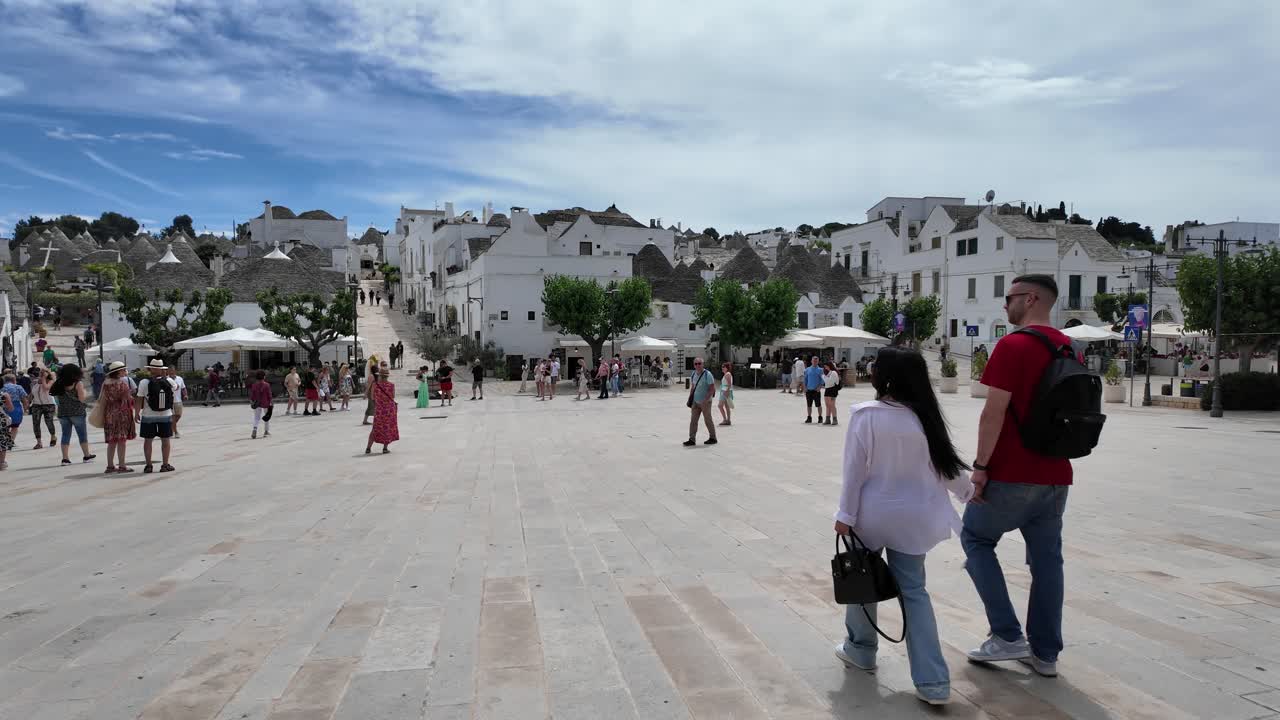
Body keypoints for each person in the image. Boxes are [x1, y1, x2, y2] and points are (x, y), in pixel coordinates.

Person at [833, 346, 974, 707]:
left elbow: (854, 473)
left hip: (872, 516)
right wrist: (970, 492)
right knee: (914, 592)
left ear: (885, 376)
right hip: (914, 519)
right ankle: (933, 682)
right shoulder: (924, 417)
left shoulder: (866, 416)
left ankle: (861, 649)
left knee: (862, 582)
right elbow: (947, 467)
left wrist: (844, 516)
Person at [962, 274, 1073, 678]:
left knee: (975, 538)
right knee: (1048, 564)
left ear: (1030, 298)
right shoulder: (1069, 347)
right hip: (1057, 475)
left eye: (1008, 298)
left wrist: (980, 468)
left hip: (1011, 471)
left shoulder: (1013, 345)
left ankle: (1007, 634)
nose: (1003, 305)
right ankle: (1045, 654)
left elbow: (993, 412)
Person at [50, 364, 95, 466]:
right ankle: (86, 456)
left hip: (63, 412)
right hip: (77, 412)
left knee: (65, 435)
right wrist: (85, 392)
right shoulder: (77, 383)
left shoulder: (59, 383)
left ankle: (65, 459)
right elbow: (81, 398)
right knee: (82, 435)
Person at [135, 359, 175, 473]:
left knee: (148, 441)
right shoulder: (169, 381)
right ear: (162, 369)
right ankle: (165, 465)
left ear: (150, 369)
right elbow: (176, 388)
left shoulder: (144, 382)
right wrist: (165, 376)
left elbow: (139, 398)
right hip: (166, 415)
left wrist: (136, 413)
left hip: (148, 415)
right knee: (165, 440)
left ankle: (148, 465)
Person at [100, 361, 137, 473]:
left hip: (109, 413)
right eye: (123, 370)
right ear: (118, 372)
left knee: (112, 441)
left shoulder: (105, 383)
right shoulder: (122, 384)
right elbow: (127, 399)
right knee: (121, 441)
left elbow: (102, 398)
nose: (125, 372)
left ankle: (110, 465)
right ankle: (122, 465)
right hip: (121, 414)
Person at [683, 357, 718, 447]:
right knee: (693, 421)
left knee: (708, 420)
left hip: (705, 402)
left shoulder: (707, 374)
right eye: (696, 364)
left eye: (699, 363)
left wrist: (705, 400)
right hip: (695, 401)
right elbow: (693, 387)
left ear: (703, 364)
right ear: (694, 365)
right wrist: (690, 397)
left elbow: (712, 388)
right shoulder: (694, 373)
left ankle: (713, 438)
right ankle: (691, 439)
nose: (698, 365)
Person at [365, 365, 399, 454]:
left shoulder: (375, 385)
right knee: (387, 428)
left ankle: (368, 448)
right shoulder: (391, 385)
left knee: (375, 428)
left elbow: (372, 397)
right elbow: (393, 396)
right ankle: (385, 448)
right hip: (389, 410)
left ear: (380, 375)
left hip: (379, 410)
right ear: (387, 376)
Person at [29, 368, 57, 449]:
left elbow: (46, 388)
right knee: (36, 423)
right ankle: (39, 442)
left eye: (43, 373)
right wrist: (28, 401)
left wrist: (44, 379)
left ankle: (53, 436)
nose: (41, 374)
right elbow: (32, 393)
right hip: (36, 405)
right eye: (40, 373)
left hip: (49, 404)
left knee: (49, 422)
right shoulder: (35, 383)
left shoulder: (51, 381)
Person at [2, 372, 29, 443]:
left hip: (3, 408)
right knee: (15, 426)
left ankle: (5, 440)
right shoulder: (18, 387)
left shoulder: (2, 387)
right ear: (14, 380)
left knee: (5, 426)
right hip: (16, 408)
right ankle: (10, 441)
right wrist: (25, 409)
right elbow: (24, 400)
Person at [249, 370, 273, 439]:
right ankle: (266, 431)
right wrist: (271, 402)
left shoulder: (254, 385)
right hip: (266, 403)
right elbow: (269, 395)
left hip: (257, 403)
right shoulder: (267, 385)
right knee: (267, 417)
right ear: (264, 377)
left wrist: (251, 401)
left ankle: (255, 429)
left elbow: (252, 395)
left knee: (256, 418)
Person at [166, 367, 187, 438]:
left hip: (178, 400)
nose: (171, 372)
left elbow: (183, 388)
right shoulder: (166, 379)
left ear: (175, 371)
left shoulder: (180, 378)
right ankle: (176, 432)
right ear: (168, 372)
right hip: (170, 401)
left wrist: (185, 394)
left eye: (172, 371)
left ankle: (171, 428)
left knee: (178, 415)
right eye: (170, 371)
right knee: (173, 417)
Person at [804, 356, 825, 424]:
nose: (815, 362)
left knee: (818, 405)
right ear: (811, 361)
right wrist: (805, 388)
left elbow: (822, 380)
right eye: (814, 361)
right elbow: (805, 379)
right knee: (809, 405)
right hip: (809, 390)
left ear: (818, 362)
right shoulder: (807, 369)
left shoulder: (820, 370)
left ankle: (820, 417)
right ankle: (809, 418)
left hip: (816, 390)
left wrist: (819, 387)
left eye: (816, 361)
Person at [823, 361, 842, 426]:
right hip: (827, 389)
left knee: (832, 405)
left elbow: (830, 382)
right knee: (827, 405)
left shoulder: (833, 372)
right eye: (824, 367)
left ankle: (835, 419)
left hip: (833, 389)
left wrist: (824, 377)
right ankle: (827, 419)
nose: (825, 368)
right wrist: (825, 378)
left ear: (829, 366)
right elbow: (827, 382)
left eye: (826, 366)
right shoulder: (829, 372)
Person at [717, 362, 734, 426]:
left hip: (725, 391)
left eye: (724, 367)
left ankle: (725, 420)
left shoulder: (727, 374)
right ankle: (728, 420)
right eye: (722, 367)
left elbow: (729, 384)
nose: (722, 368)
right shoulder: (726, 374)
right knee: (726, 406)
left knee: (720, 405)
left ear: (727, 368)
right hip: (725, 391)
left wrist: (726, 392)